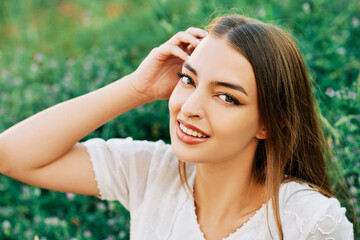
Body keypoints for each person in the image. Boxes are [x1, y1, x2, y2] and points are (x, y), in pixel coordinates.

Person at [0, 14, 354, 239]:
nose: (190, 107)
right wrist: (135, 88)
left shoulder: (309, 222)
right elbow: (11, 155)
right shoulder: (151, 172)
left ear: (270, 124)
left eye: (227, 97)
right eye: (188, 80)